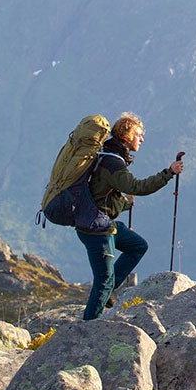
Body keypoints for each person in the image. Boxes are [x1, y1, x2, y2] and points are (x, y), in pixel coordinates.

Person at [79, 112, 184, 320]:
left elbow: (102, 194)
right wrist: (169, 172)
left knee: (137, 246)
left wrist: (125, 203)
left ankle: (107, 293)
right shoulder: (113, 163)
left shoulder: (107, 156)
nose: (142, 139)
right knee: (103, 281)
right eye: (139, 134)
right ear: (127, 135)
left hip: (101, 222)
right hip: (96, 230)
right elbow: (139, 187)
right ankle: (87, 327)